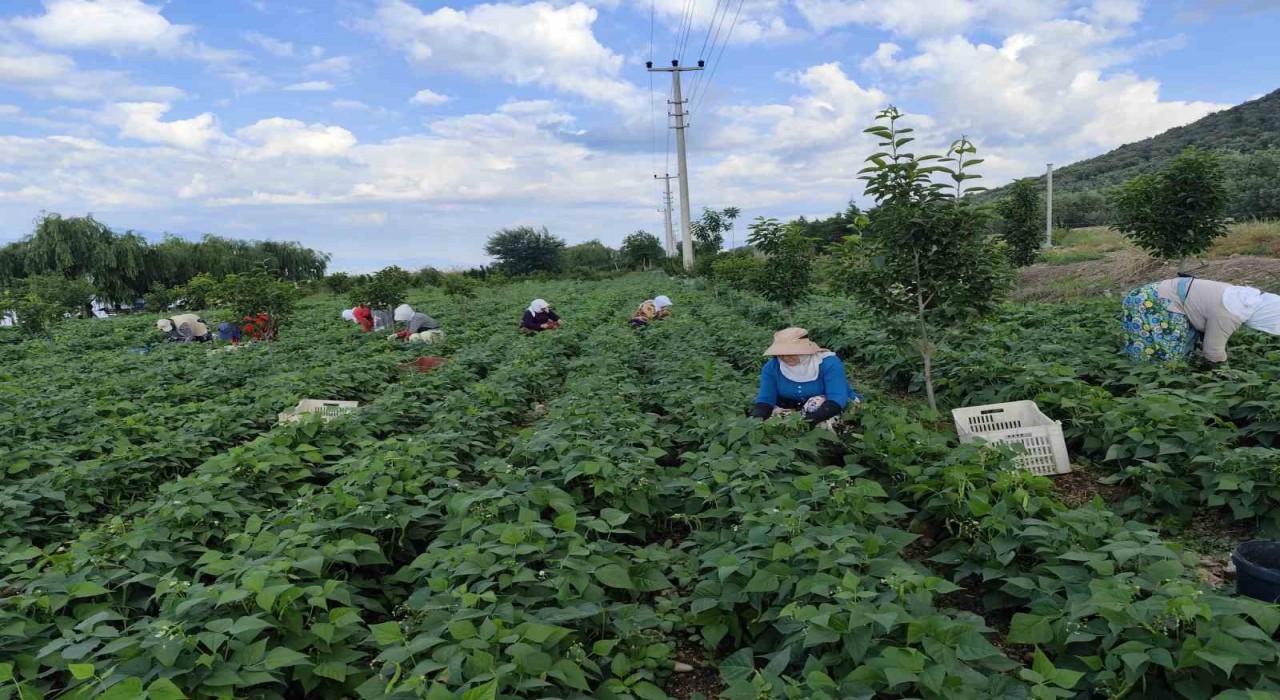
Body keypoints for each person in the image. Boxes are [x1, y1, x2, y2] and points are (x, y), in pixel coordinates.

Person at [1122, 276, 1280, 365]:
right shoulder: (1230, 313)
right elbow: (1213, 351)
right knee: (1166, 353)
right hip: (1152, 300)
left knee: (1178, 351)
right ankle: (1149, 388)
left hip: (1164, 295)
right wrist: (1224, 373)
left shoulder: (1243, 299)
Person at [751, 327, 861, 427]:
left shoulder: (829, 364)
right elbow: (766, 399)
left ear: (804, 351)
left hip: (832, 407)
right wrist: (757, 420)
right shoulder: (772, 368)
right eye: (781, 353)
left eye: (791, 353)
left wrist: (809, 421)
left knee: (817, 404)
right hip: (796, 407)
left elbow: (837, 398)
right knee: (772, 419)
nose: (784, 357)